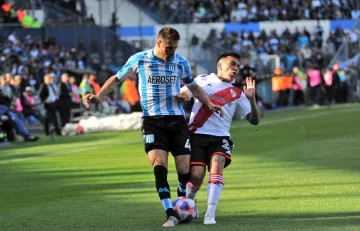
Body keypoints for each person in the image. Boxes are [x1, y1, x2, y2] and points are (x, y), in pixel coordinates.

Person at [84, 27, 223, 227]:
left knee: (185, 169)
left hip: (176, 120)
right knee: (160, 166)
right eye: (168, 48)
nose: (171, 52)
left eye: (174, 48)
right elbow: (117, 78)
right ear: (158, 43)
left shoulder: (180, 62)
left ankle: (182, 202)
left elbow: (193, 86)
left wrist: (208, 103)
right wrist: (99, 95)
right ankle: (171, 213)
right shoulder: (139, 59)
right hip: (153, 121)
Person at [176, 52, 260, 225]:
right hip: (197, 135)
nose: (236, 68)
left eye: (237, 65)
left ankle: (210, 213)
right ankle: (189, 203)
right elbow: (184, 94)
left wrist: (252, 99)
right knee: (197, 176)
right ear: (220, 66)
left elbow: (254, 120)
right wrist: (178, 96)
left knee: (217, 165)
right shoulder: (201, 80)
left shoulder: (237, 93)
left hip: (220, 137)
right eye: (232, 64)